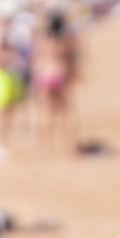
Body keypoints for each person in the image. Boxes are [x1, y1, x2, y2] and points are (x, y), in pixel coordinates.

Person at [32, 10, 80, 153]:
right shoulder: (67, 39)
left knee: (45, 111)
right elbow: (72, 59)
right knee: (66, 111)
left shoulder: (42, 38)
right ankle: (71, 144)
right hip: (61, 73)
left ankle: (45, 146)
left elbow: (37, 58)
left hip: (44, 74)